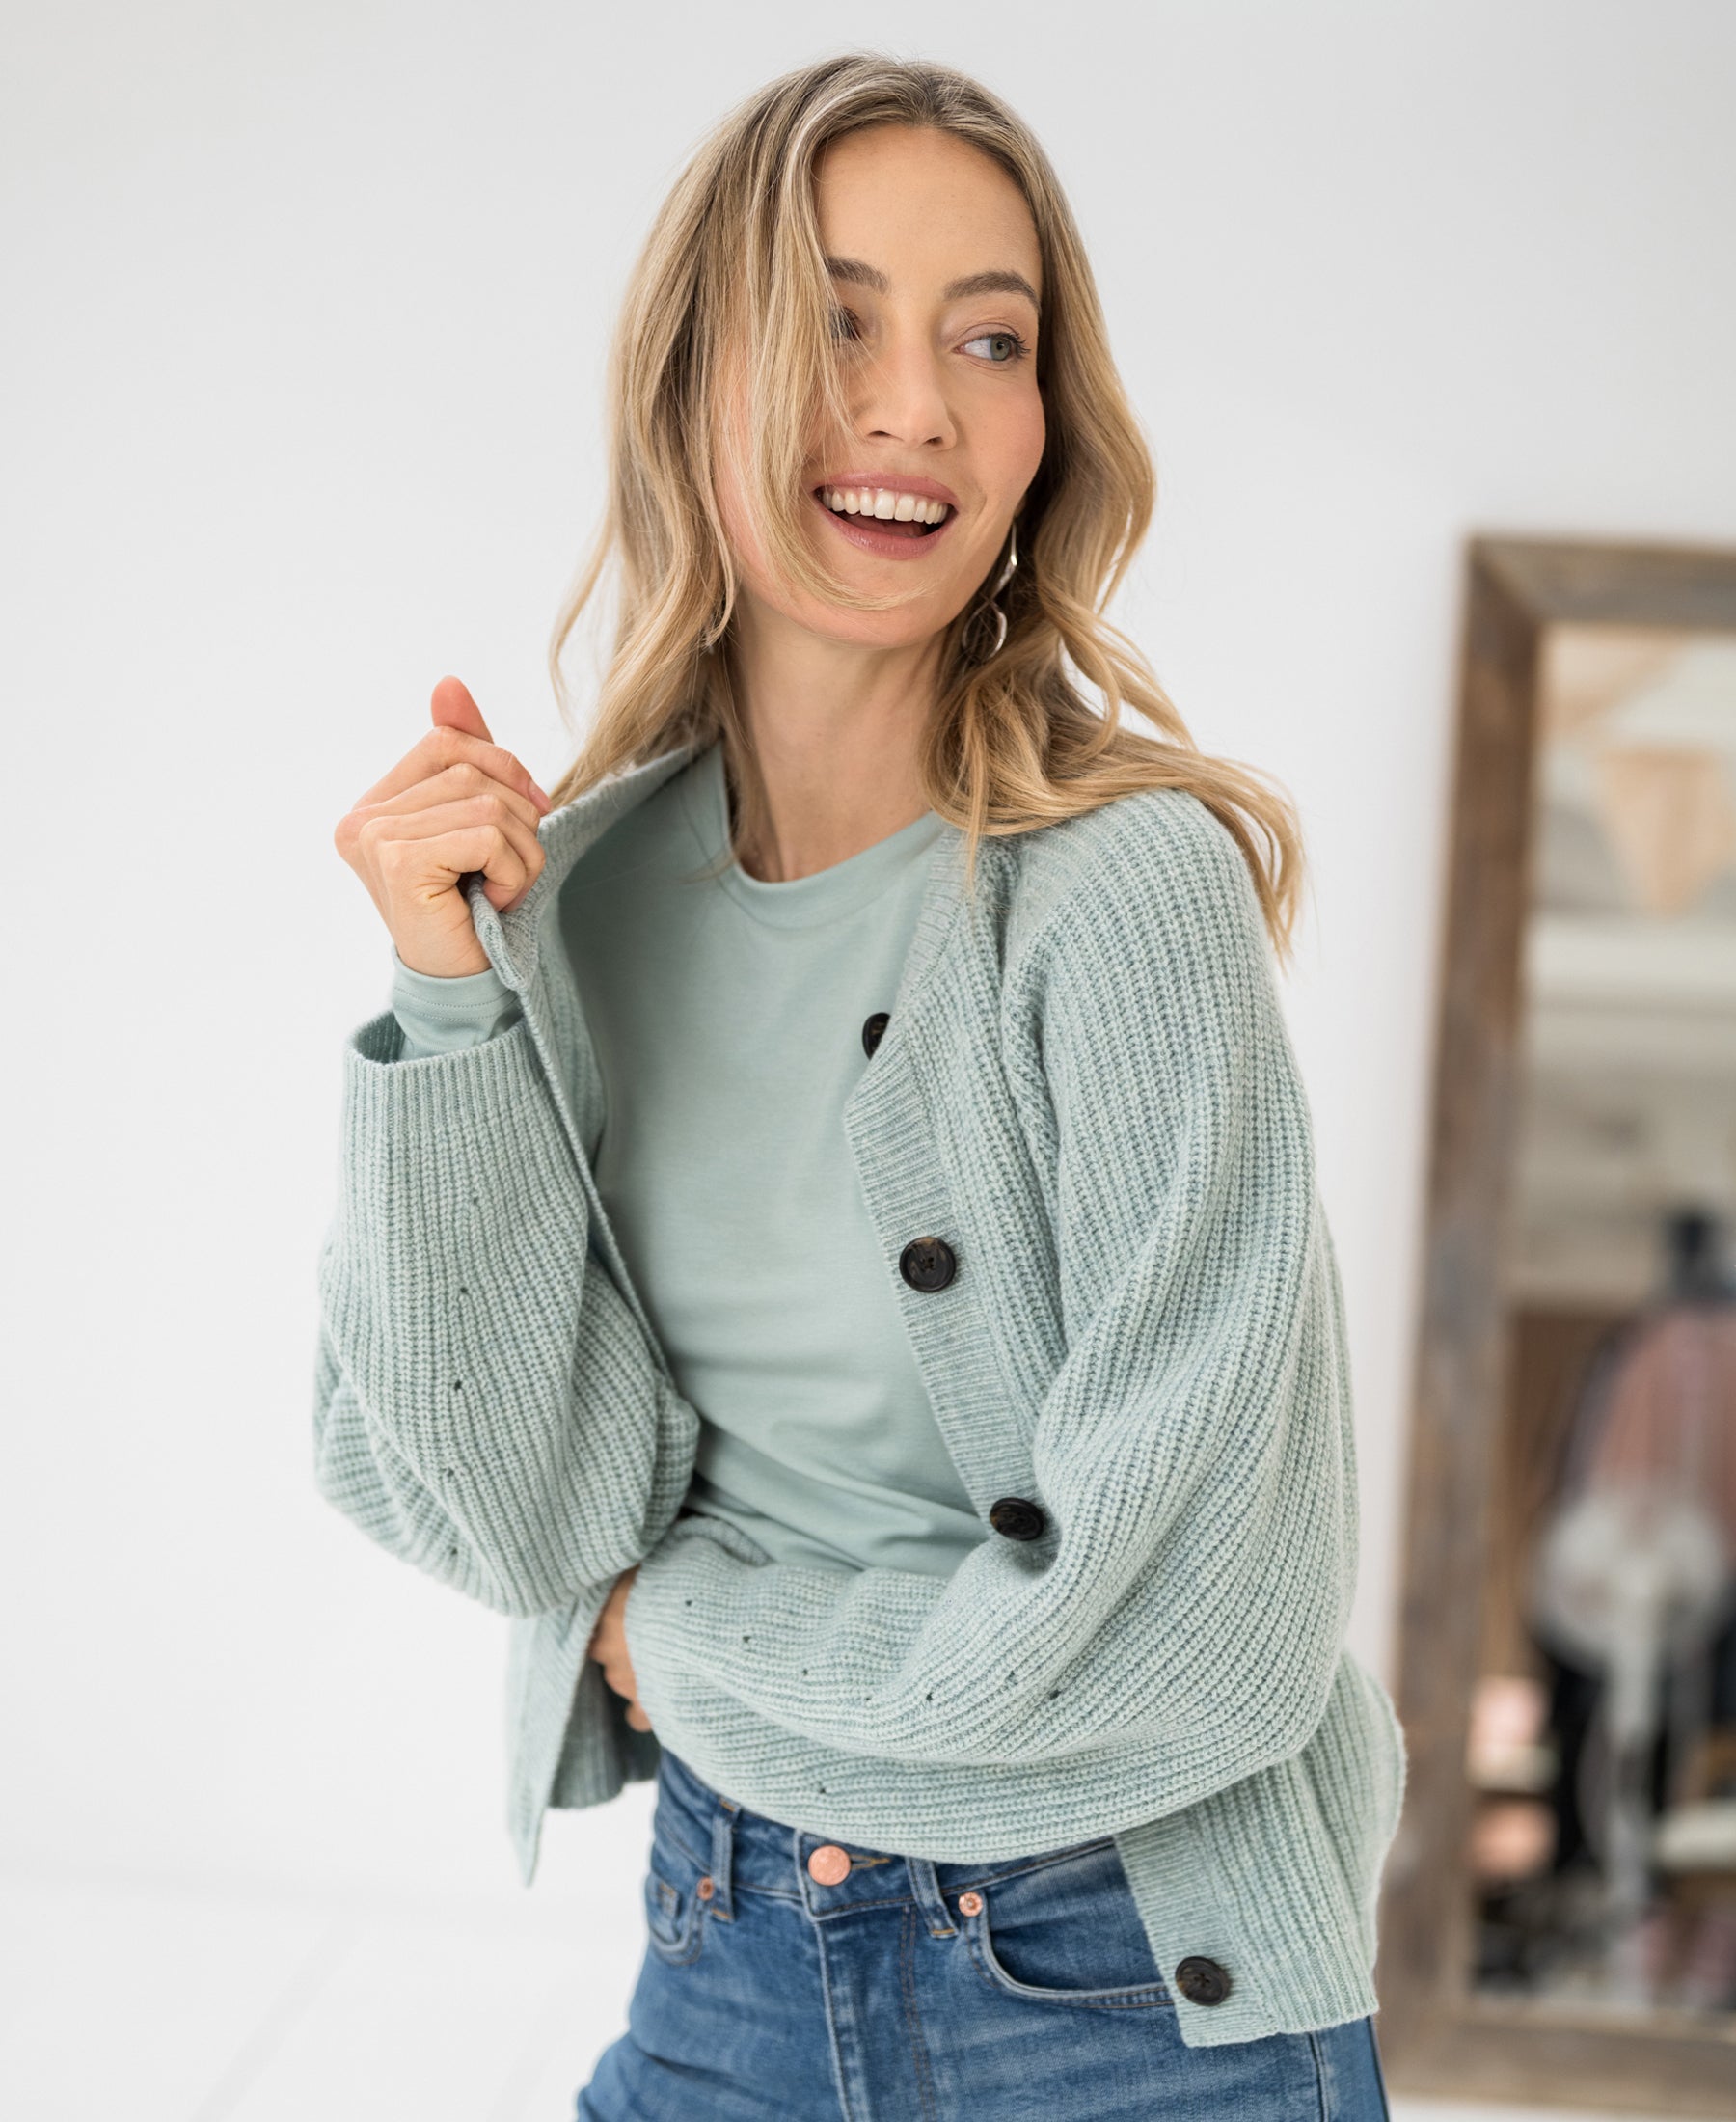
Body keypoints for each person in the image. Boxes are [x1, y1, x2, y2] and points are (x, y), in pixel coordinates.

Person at [317, 53, 1405, 2120]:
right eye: (836, 321)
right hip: (724, 1941)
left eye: (986, 337)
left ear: (1040, 432)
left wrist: (688, 1643)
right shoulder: (582, 893)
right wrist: (448, 996)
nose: (913, 400)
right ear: (691, 374)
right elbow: (494, 1501)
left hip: (1126, 1983)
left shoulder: (1125, 895)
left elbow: (1204, 1625)